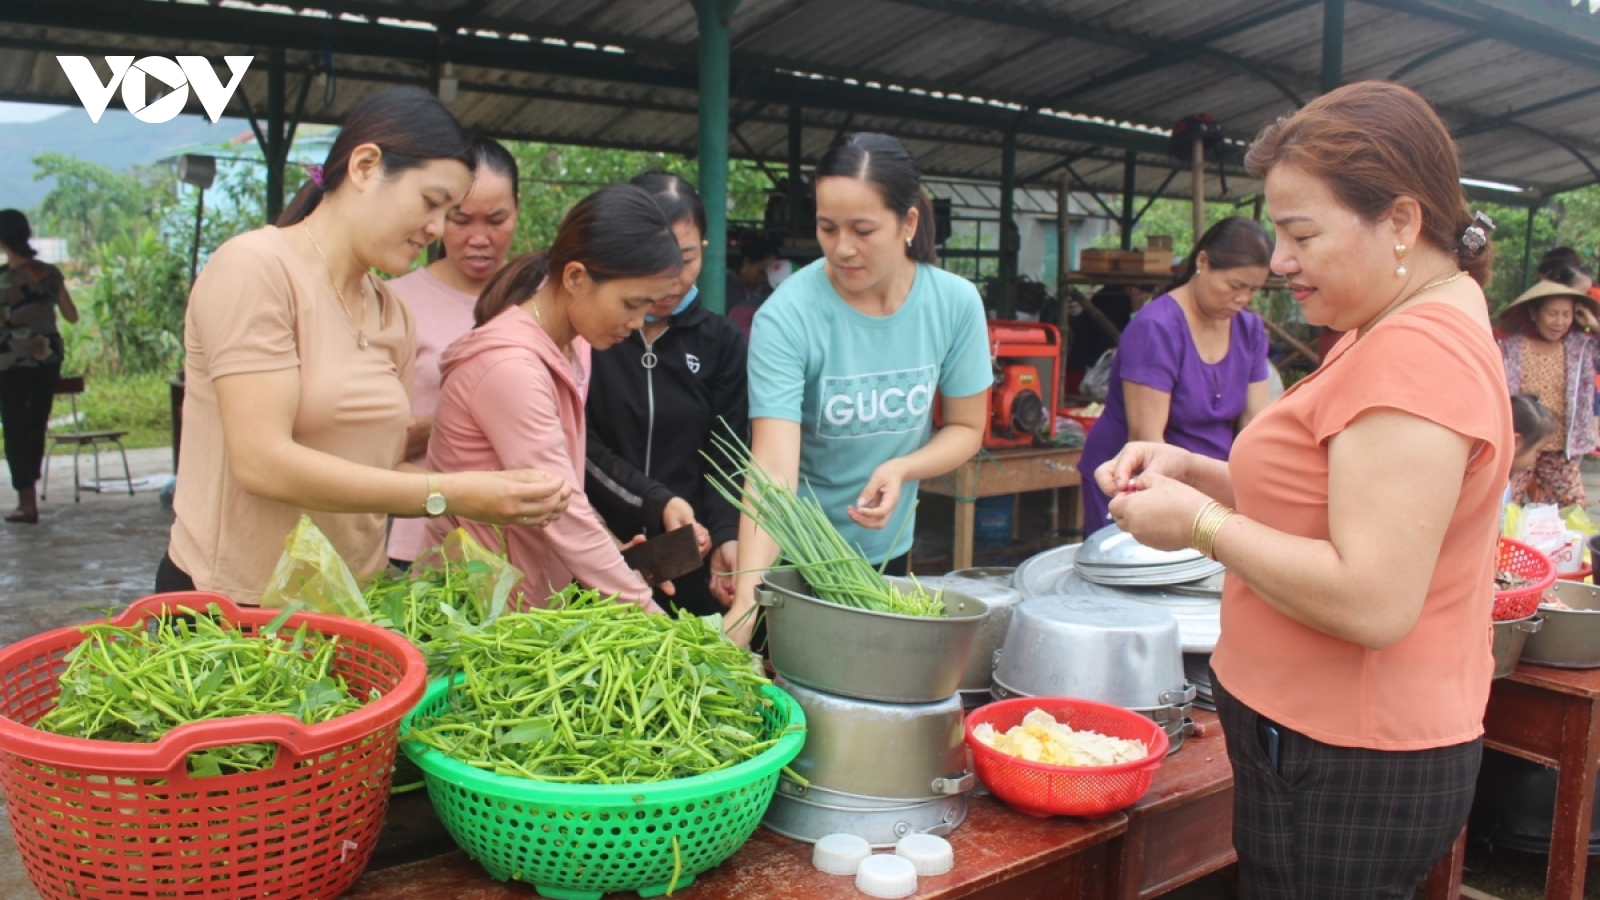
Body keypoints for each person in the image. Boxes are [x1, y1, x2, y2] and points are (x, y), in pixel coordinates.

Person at [1098, 82, 1509, 897]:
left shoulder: (1415, 354)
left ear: (1399, 221)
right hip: (1325, 737)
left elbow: (1371, 599)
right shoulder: (1388, 322)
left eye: (1301, 233)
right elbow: (1330, 499)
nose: (1280, 261)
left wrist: (1203, 523)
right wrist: (1198, 468)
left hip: (1347, 754)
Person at [161, 87, 570, 602]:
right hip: (234, 608)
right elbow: (261, 460)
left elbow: (375, 466)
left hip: (349, 600)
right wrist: (450, 494)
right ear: (365, 166)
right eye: (431, 203)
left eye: (448, 213)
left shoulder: (391, 311)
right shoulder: (256, 269)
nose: (436, 230)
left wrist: (491, 488)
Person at [726, 132, 991, 647]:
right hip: (792, 558)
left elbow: (965, 426)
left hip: (885, 550)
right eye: (827, 227)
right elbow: (773, 470)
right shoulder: (789, 315)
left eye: (863, 229)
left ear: (908, 223)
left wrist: (903, 466)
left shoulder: (955, 304)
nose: (842, 248)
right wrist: (746, 598)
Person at [425, 184, 683, 610]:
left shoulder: (573, 345)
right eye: (631, 304)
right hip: (478, 614)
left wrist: (614, 552)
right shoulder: (511, 367)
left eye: (648, 309)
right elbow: (560, 509)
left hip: (526, 603)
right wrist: (654, 619)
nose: (637, 323)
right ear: (576, 277)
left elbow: (563, 490)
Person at [585, 172, 749, 616]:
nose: (672, 276)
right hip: (598, 552)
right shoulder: (592, 337)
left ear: (706, 251)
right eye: (656, 258)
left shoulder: (722, 341)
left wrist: (727, 535)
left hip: (692, 559)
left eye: (687, 258)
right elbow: (580, 447)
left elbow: (729, 454)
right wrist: (651, 501)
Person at [1076, 217, 1273, 527]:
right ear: (1203, 262)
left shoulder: (1250, 330)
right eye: (1236, 286)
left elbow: (1254, 423)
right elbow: (1147, 439)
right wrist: (1186, 506)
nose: (1244, 298)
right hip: (1134, 481)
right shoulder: (1156, 329)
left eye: (1254, 290)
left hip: (1208, 484)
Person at [386, 136, 520, 568]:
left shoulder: (540, 299)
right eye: (460, 220)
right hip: (419, 543)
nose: (479, 238)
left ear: (517, 209)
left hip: (519, 545)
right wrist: (457, 409)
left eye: (496, 219)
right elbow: (365, 443)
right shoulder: (395, 301)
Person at [0, 209, 77, 524]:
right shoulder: (50, 274)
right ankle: (28, 496)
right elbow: (72, 315)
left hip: (10, 361)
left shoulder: (3, 279)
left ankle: (27, 501)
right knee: (36, 425)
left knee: (16, 428)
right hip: (47, 360)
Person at [1498, 279, 1600, 507]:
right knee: (1505, 502)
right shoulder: (1511, 347)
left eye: (1567, 314)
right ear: (1534, 313)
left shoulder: (1581, 347)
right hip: (1521, 441)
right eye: (1552, 313)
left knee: (1572, 505)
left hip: (1561, 447)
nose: (1560, 322)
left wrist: (1594, 326)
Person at [726, 238, 781, 340]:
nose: (765, 278)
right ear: (746, 262)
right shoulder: (724, 288)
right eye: (762, 272)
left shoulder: (768, 291)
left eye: (769, 274)